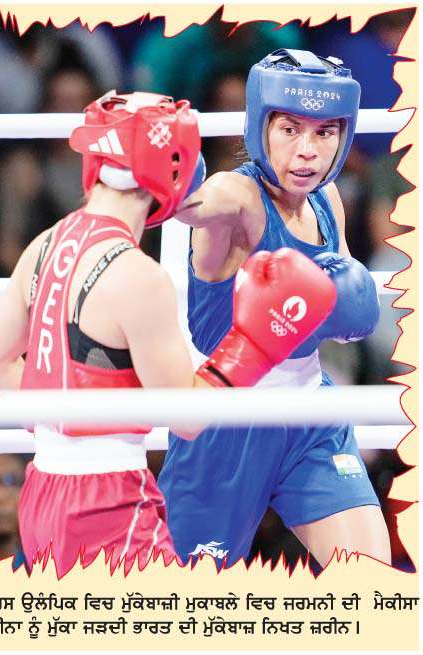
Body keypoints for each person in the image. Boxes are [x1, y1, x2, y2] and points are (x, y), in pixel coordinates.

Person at [0, 90, 336, 577]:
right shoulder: (138, 276)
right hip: (107, 500)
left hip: (43, 489)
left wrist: (75, 411)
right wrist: (253, 344)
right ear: (172, 168)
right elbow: (185, 417)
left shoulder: (46, 244)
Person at [158, 49, 392, 568]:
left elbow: (345, 312)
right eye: (289, 129)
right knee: (183, 602)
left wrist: (349, 305)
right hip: (225, 423)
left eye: (325, 132)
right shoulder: (238, 195)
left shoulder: (327, 200)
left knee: (372, 580)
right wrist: (160, 181)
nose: (307, 151)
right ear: (259, 126)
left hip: (311, 414)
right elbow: (196, 206)